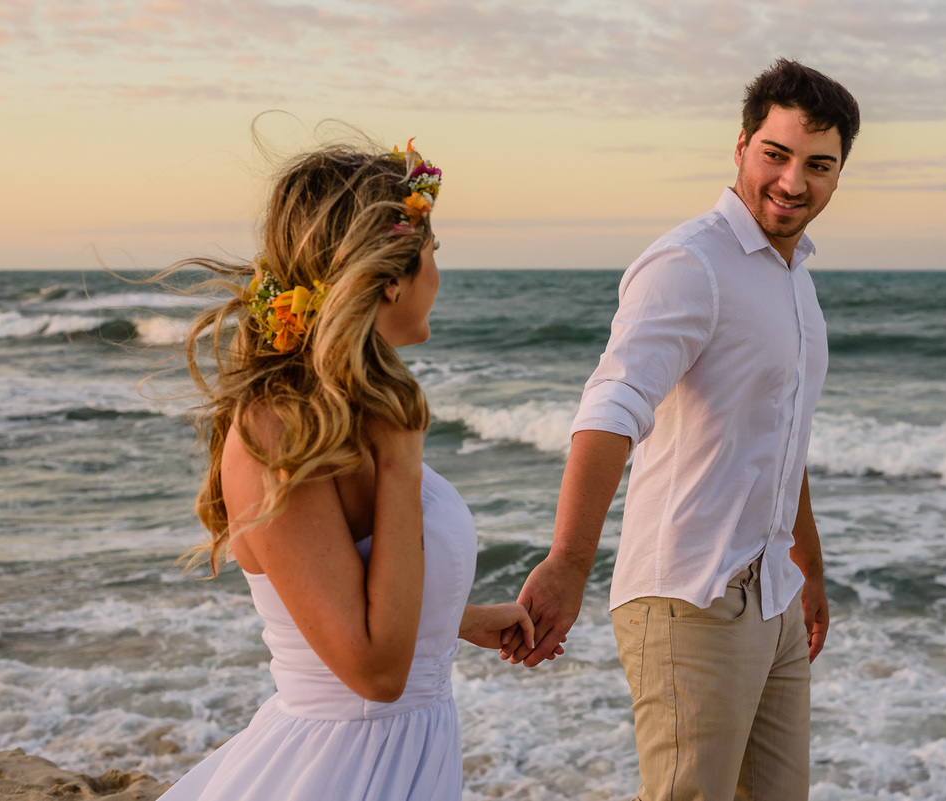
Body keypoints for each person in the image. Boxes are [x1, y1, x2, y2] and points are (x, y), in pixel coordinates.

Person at [500, 60, 861, 799]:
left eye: (818, 165)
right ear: (740, 146)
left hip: (772, 593)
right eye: (777, 154)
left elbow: (782, 437)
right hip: (690, 595)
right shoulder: (690, 261)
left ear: (838, 173)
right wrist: (569, 560)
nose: (794, 182)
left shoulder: (795, 278)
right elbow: (611, 406)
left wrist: (809, 568)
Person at [157, 139, 553, 801]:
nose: (437, 272)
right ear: (390, 278)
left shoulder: (343, 414)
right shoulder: (275, 433)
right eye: (433, 252)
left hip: (407, 756)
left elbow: (351, 589)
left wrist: (462, 617)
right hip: (340, 771)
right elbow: (373, 670)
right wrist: (401, 460)